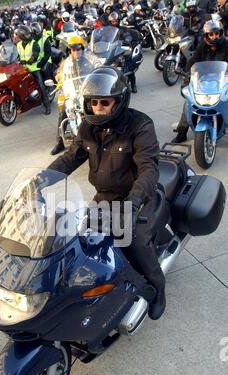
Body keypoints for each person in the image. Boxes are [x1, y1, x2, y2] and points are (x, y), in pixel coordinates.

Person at [48, 66, 166, 320]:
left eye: (105, 102)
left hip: (136, 198)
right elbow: (70, 158)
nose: (99, 107)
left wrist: (134, 203)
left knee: (136, 245)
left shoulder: (140, 125)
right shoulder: (88, 128)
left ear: (119, 101)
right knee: (78, 242)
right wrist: (42, 179)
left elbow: (148, 169)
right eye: (94, 102)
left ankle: (157, 290)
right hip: (104, 197)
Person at [172, 19, 228, 143]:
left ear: (221, 33)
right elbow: (194, 60)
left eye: (217, 33)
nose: (215, 36)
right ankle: (182, 132)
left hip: (223, 79)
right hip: (204, 80)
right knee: (190, 103)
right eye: (211, 34)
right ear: (206, 35)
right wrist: (186, 74)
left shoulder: (226, 45)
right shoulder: (202, 45)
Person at [50, 35, 100, 155]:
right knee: (63, 112)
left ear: (82, 48)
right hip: (72, 92)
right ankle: (60, 142)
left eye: (78, 49)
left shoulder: (91, 58)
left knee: (99, 110)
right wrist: (59, 80)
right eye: (73, 50)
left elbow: (99, 66)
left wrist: (99, 73)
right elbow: (59, 75)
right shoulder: (66, 63)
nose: (76, 52)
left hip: (88, 91)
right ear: (70, 50)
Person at [16, 25, 51, 115]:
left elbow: (35, 56)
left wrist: (28, 61)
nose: (29, 36)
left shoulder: (33, 43)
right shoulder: (18, 45)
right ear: (22, 36)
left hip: (34, 68)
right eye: (27, 35)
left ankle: (47, 105)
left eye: (29, 34)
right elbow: (17, 56)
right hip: (23, 68)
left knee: (41, 85)